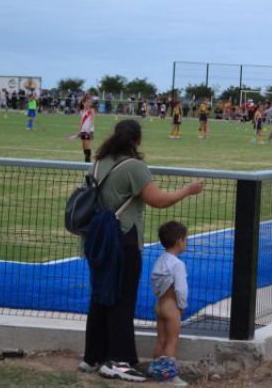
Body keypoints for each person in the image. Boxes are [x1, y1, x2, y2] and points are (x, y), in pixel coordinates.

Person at [80, 120, 204, 381]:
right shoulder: (134, 167)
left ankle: (93, 357)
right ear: (137, 139)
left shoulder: (100, 161)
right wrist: (188, 190)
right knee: (122, 301)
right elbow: (159, 200)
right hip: (122, 240)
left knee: (100, 296)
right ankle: (120, 360)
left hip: (98, 239)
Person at [149, 221, 190, 386]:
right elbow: (181, 289)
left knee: (161, 339)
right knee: (172, 340)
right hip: (171, 306)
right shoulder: (178, 264)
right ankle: (167, 377)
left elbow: (155, 281)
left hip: (159, 304)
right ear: (179, 241)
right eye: (185, 239)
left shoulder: (160, 260)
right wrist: (182, 305)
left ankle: (155, 368)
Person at [76, 94, 96, 162]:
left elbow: (92, 120)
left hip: (89, 131)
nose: (88, 104)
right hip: (83, 131)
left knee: (87, 147)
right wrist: (79, 131)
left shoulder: (92, 110)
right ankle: (87, 160)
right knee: (84, 147)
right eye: (86, 102)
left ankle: (87, 162)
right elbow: (81, 122)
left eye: (89, 102)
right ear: (83, 102)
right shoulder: (82, 111)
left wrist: (88, 130)